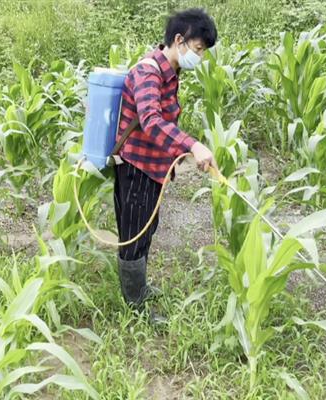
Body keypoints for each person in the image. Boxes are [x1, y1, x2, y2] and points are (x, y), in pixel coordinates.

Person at [113, 8, 218, 321]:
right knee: (134, 234)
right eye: (198, 49)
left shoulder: (170, 70)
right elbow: (151, 121)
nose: (199, 57)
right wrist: (193, 145)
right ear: (179, 40)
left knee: (148, 227)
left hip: (154, 166)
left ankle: (139, 287)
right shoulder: (148, 72)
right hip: (136, 167)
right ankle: (135, 306)